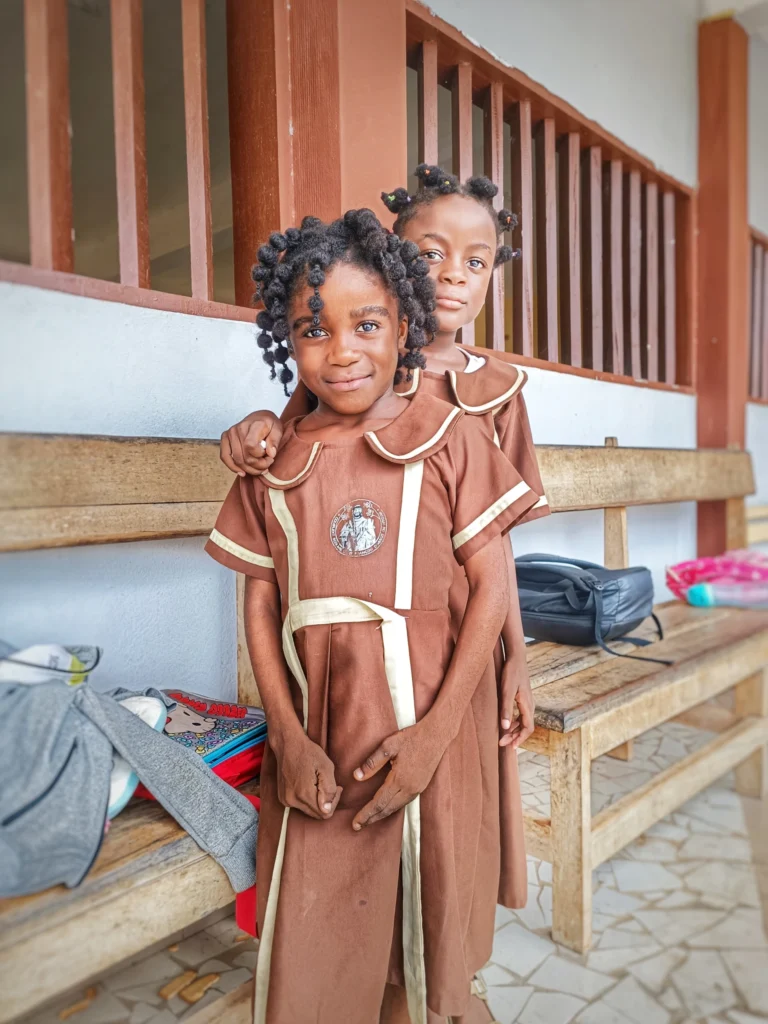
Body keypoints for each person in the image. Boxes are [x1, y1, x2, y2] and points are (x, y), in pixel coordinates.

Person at [205, 209, 540, 1023]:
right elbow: (256, 597)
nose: (343, 349)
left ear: (404, 328)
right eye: (313, 330)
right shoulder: (275, 458)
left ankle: (439, 1003)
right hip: (324, 723)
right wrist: (285, 734)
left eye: (368, 324)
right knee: (331, 906)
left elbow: (491, 585)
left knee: (434, 890)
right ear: (288, 340)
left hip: (437, 712)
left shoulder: (452, 436)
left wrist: (433, 735)